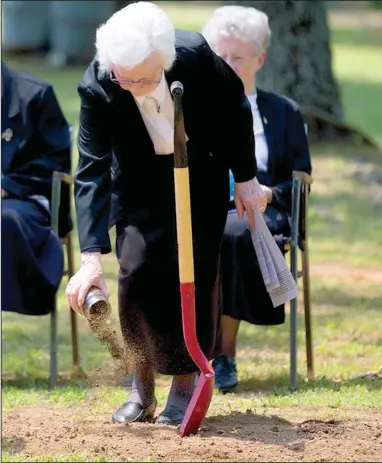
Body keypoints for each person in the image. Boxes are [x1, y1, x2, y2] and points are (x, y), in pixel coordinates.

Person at [66, 2, 267, 426]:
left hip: (201, 168)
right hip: (138, 176)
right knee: (135, 269)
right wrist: (89, 258)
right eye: (126, 78)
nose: (134, 86)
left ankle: (185, 380)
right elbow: (90, 170)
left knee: (194, 268)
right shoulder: (100, 83)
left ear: (165, 61)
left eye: (144, 78)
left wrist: (246, 178)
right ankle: (141, 386)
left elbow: (235, 109)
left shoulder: (195, 56)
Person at [202, 5, 312, 393]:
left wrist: (267, 193)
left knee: (233, 234)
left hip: (262, 212)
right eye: (220, 56)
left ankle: (222, 353)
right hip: (203, 206)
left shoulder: (283, 112)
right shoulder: (195, 109)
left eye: (237, 57)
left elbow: (300, 181)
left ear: (259, 59)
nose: (227, 65)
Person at [1, 62, 71, 316]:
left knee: (4, 219)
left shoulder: (35, 94)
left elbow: (55, 163)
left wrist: (7, 186)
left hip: (25, 199)